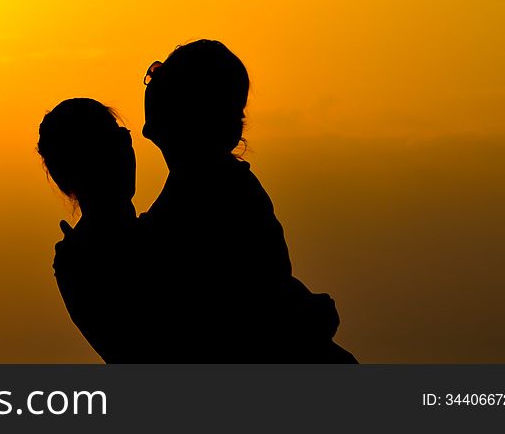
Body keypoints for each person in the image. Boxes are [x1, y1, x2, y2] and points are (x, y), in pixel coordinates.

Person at [141, 39, 356, 362]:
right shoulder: (208, 188)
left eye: (161, 75)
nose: (151, 82)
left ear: (187, 110)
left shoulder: (216, 194)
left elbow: (258, 297)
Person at [37, 98, 149, 362]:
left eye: (124, 139)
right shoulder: (80, 264)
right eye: (105, 148)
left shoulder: (73, 261)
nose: (123, 152)